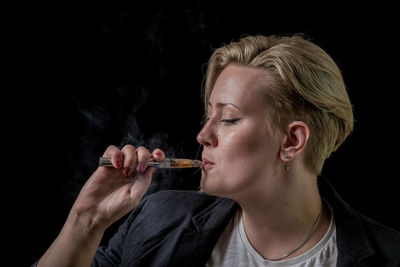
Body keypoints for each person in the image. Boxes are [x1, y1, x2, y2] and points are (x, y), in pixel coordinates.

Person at [33, 34, 400, 267]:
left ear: (292, 142)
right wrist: (86, 223)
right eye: (208, 115)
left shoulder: (389, 254)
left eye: (227, 119)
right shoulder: (158, 220)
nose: (202, 135)